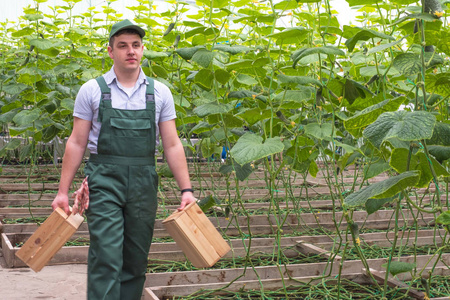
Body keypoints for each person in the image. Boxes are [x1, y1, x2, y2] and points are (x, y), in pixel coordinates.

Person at [51, 19, 196, 299]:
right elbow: (77, 142)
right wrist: (62, 192)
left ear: (142, 50)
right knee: (105, 255)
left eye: (136, 45)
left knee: (136, 259)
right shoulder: (92, 90)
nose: (131, 51)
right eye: (123, 46)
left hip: (143, 180)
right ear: (110, 51)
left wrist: (186, 190)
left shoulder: (159, 92)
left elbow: (172, 144)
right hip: (104, 179)